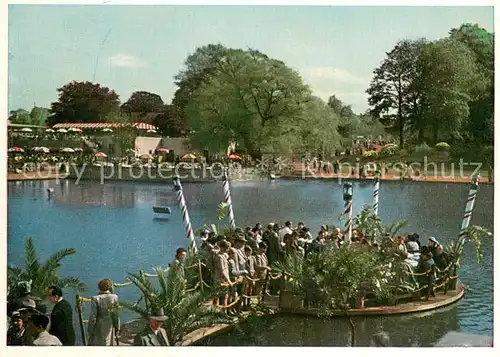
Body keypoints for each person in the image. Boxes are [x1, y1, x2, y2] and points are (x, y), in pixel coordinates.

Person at [87, 279, 120, 346]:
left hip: (98, 325)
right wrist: (117, 328)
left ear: (99, 287)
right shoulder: (114, 297)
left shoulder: (95, 298)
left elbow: (93, 316)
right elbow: (116, 315)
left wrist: (90, 329)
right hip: (109, 324)